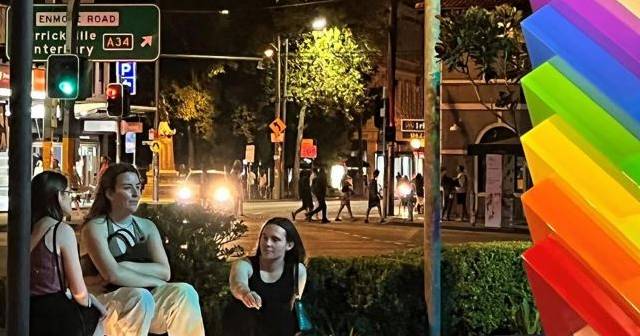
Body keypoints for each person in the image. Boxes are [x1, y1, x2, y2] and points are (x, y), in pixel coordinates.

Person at [80, 163, 205, 336]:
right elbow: (112, 275)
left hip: (145, 301)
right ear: (109, 193)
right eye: (127, 188)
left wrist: (124, 266)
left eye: (138, 187)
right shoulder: (95, 228)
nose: (136, 194)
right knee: (139, 297)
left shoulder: (147, 227)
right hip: (104, 304)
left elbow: (164, 272)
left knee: (184, 292)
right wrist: (152, 279)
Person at [30, 171, 106, 336]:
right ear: (59, 196)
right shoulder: (60, 230)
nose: (71, 198)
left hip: (26, 311)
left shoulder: (26, 229)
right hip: (55, 315)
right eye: (68, 193)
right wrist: (92, 304)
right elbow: (79, 291)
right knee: (97, 317)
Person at [224, 217, 308, 336]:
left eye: (275, 239)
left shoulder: (297, 270)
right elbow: (237, 283)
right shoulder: (244, 264)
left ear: (289, 245)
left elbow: (293, 306)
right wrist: (245, 294)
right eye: (264, 237)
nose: (267, 243)